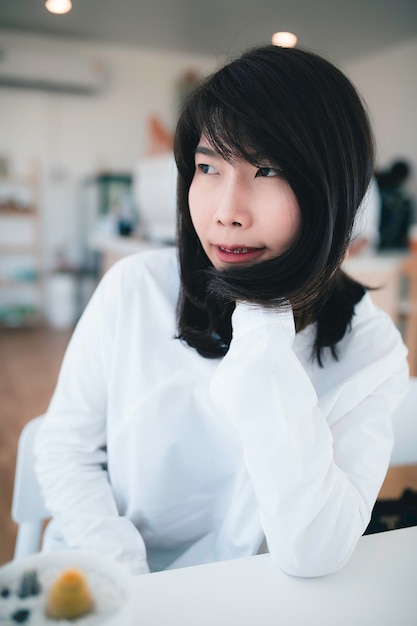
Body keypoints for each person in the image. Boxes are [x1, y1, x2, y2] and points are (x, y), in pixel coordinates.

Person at [34, 45, 409, 579]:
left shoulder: (370, 349)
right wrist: (132, 585)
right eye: (207, 167)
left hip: (249, 598)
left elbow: (314, 550)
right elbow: (65, 449)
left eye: (268, 168)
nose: (226, 213)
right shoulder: (136, 289)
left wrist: (261, 318)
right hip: (109, 581)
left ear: (333, 187)